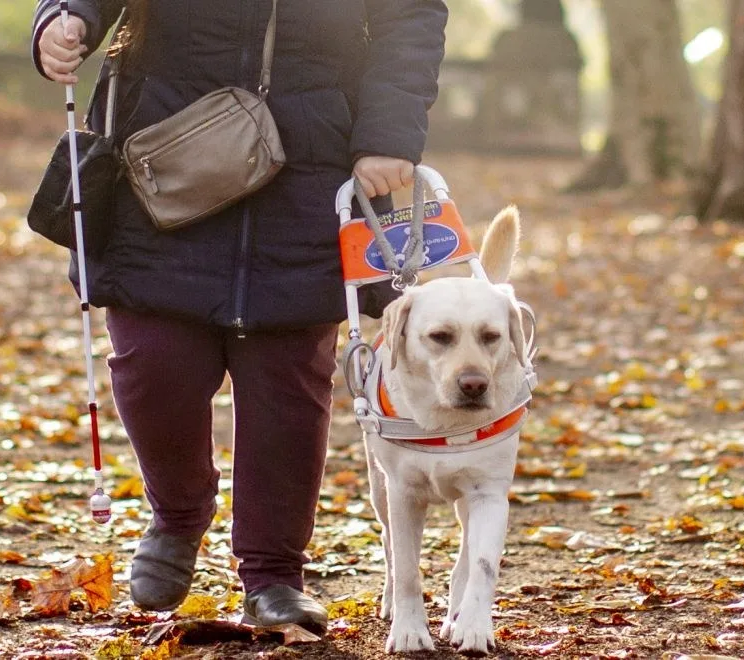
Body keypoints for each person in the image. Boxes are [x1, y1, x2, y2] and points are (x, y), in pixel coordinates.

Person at [31, 0, 448, 634]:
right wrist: (66, 18)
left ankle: (274, 573)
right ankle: (177, 515)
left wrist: (388, 134)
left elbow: (410, 15)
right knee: (154, 363)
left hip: (313, 161)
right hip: (162, 151)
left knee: (287, 382)